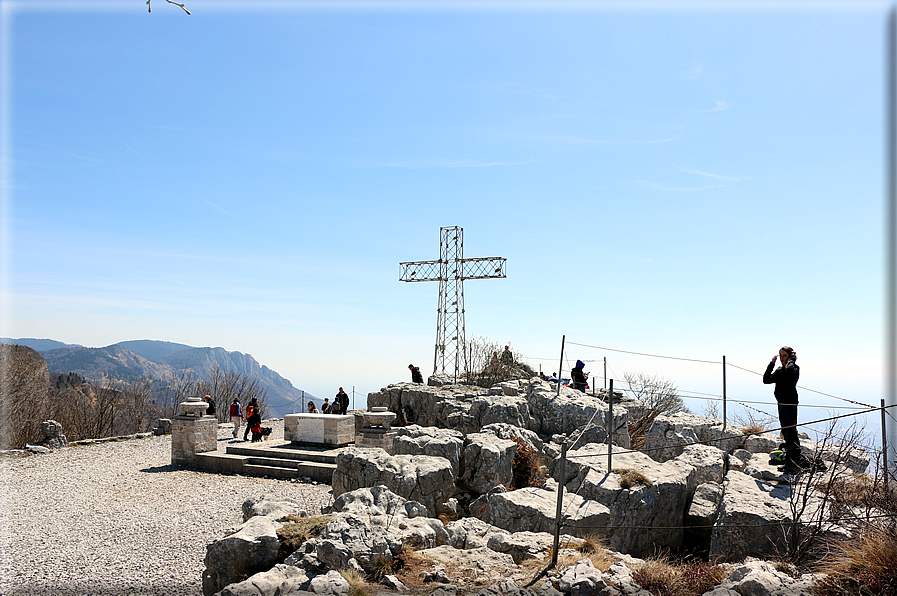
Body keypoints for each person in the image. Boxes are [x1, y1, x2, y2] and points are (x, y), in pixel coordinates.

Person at [763, 346, 802, 475]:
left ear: (790, 356)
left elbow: (788, 371)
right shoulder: (780, 370)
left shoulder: (794, 369)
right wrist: (771, 364)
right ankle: (788, 463)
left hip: (790, 404)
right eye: (780, 355)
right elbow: (766, 379)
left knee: (791, 433)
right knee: (785, 432)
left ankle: (794, 465)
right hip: (781, 404)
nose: (782, 358)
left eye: (784, 355)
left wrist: (792, 360)